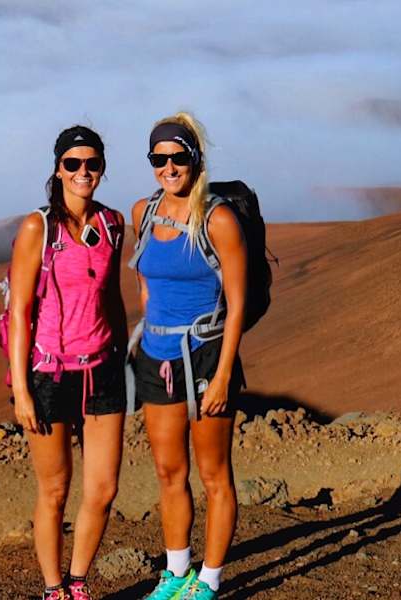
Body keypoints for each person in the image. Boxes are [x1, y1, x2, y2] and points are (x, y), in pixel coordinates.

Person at [6, 125, 128, 600]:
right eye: (73, 164)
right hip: (50, 374)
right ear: (58, 168)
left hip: (102, 370)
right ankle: (53, 589)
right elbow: (18, 311)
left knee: (103, 489)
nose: (83, 172)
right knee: (55, 491)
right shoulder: (39, 228)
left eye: (91, 164)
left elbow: (113, 297)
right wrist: (21, 390)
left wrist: (122, 355)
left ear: (102, 168)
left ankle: (79, 584)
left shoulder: (113, 224)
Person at [129, 112, 247, 600]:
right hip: (157, 356)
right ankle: (176, 572)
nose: (169, 166)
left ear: (195, 158)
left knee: (214, 474)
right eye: (160, 158)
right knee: (168, 471)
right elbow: (143, 284)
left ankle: (209, 581)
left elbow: (237, 302)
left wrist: (221, 376)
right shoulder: (143, 212)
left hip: (204, 355)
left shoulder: (218, 218)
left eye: (178, 156)